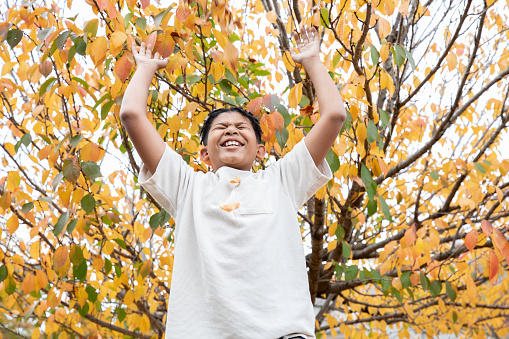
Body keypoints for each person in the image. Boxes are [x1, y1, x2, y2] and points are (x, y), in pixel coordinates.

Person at [119, 26, 346, 339]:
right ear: (204, 154)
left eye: (242, 127)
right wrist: (145, 67)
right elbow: (132, 114)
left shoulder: (281, 180)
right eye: (220, 127)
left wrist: (312, 62)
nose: (231, 130)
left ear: (261, 150)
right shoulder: (187, 187)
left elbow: (334, 115)